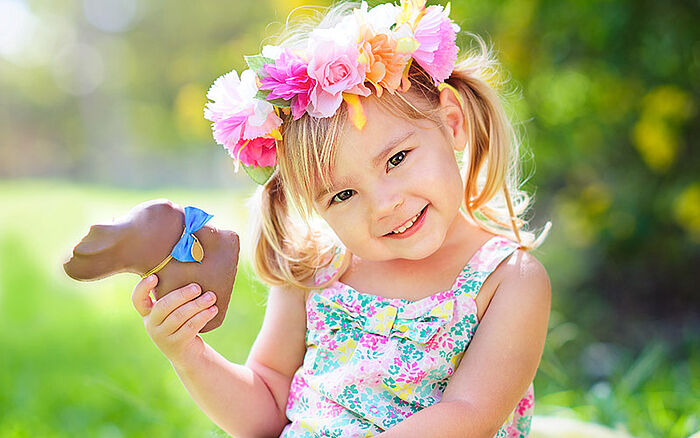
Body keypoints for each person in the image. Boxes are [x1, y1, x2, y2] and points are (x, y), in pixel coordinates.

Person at [130, 1, 551, 436]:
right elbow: (267, 409)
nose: (384, 204)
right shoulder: (318, 270)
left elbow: (470, 414)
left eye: (397, 158)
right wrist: (188, 354)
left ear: (452, 122)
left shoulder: (506, 279)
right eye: (344, 194)